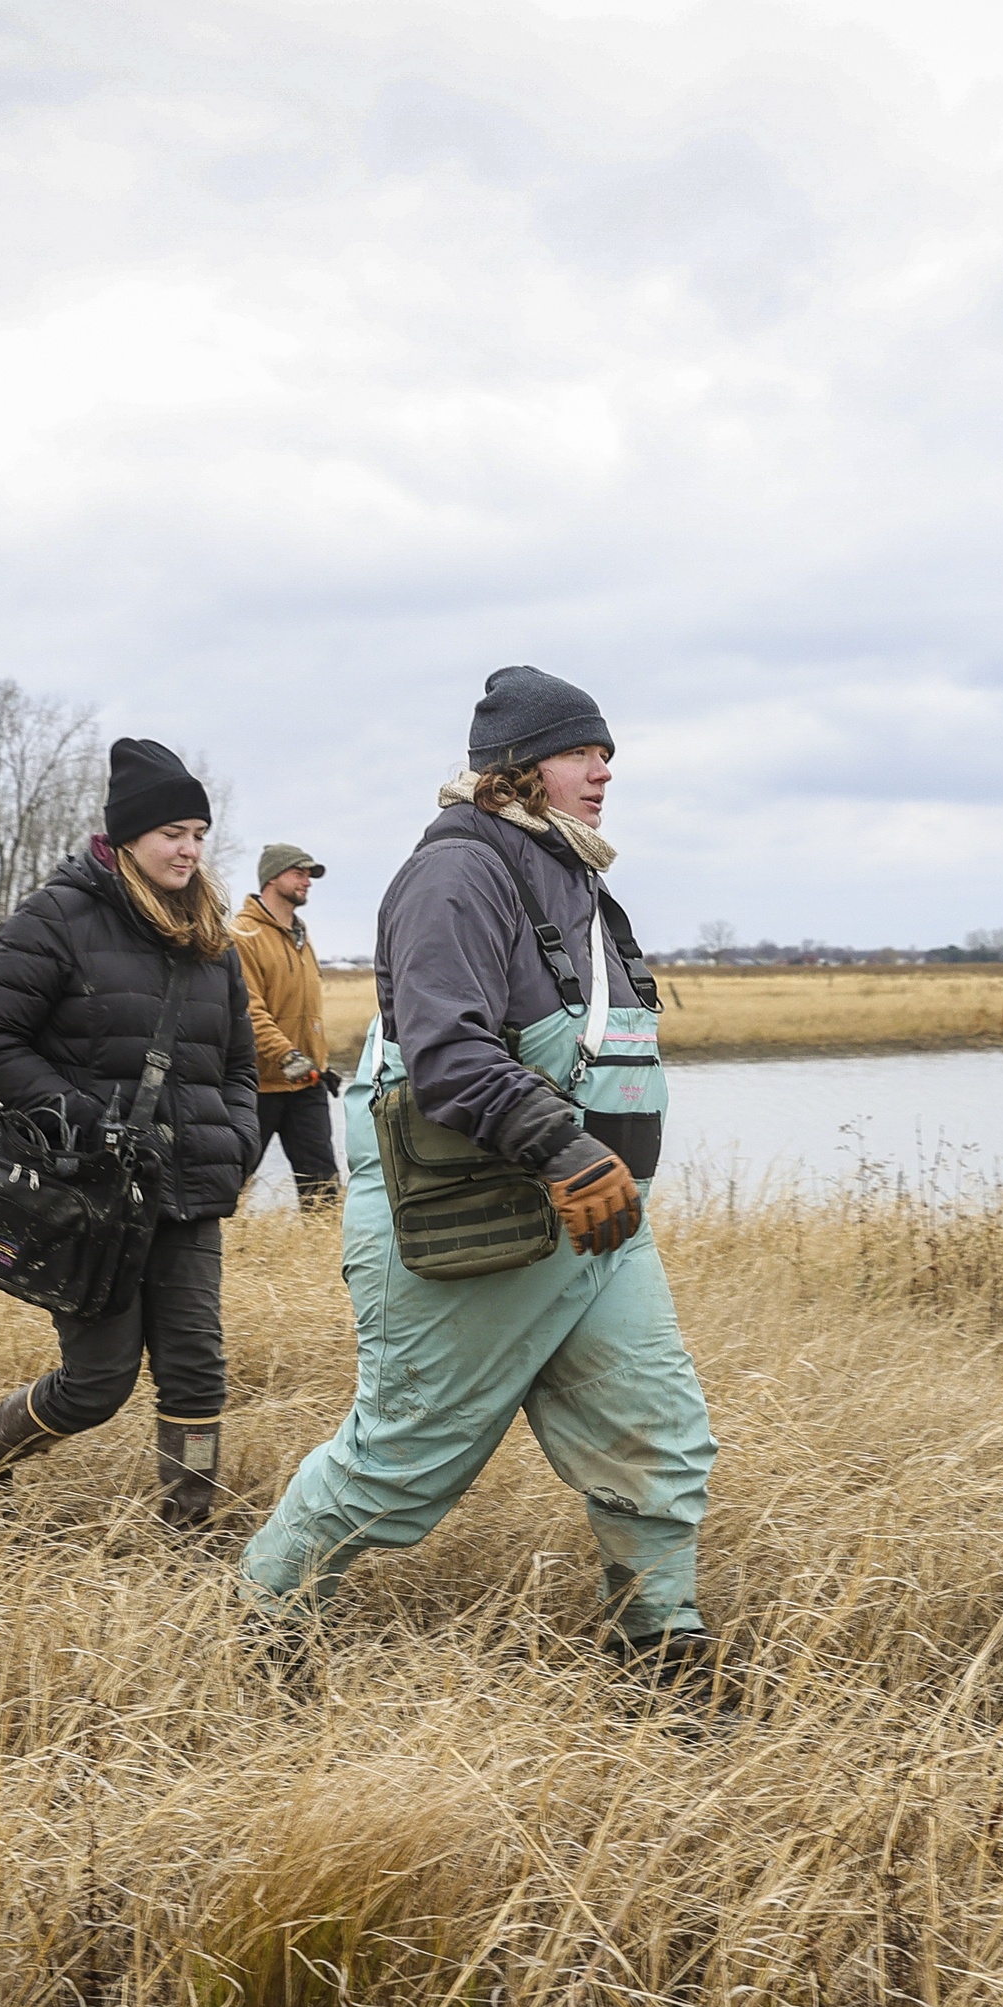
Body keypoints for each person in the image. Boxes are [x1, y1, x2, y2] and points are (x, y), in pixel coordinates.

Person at [238, 667, 721, 1684]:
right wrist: (565, 1149)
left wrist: (597, 1168)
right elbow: (448, 1052)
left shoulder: (576, 874)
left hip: (595, 1225)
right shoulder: (459, 871)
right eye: (583, 753)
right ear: (517, 768)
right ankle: (264, 1631)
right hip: (476, 1217)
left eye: (608, 755)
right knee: (400, 1464)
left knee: (657, 1436)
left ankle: (664, 1658)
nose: (603, 771)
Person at [0, 739, 260, 1531]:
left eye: (198, 832)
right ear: (127, 839)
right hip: (90, 1195)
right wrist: (87, 1119)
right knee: (100, 1382)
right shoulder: (56, 919)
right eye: (171, 834)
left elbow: (238, 1063)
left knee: (197, 1373)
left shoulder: (212, 938)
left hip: (188, 1193)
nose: (188, 849)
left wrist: (240, 1137)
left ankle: (191, 1529)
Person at [230, 842, 340, 1211]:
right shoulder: (242, 935)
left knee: (323, 1187)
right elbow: (249, 1013)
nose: (307, 881)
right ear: (273, 877)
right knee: (230, 1182)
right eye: (299, 872)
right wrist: (289, 1056)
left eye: (310, 874)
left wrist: (319, 1065)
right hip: (258, 1084)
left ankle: (321, 1261)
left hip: (306, 1083)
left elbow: (304, 1012)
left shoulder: (301, 935)